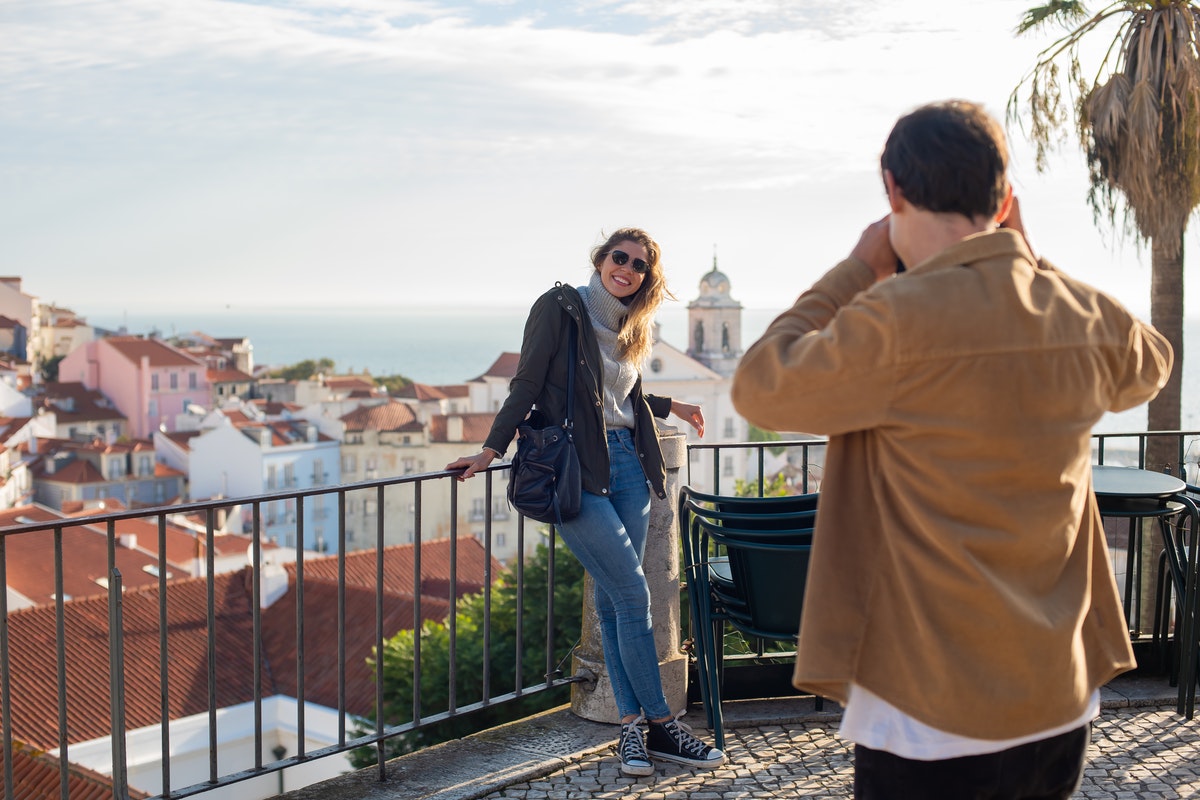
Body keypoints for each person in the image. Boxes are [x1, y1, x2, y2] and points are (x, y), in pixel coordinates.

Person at [731, 100, 1173, 799]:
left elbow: (760, 386)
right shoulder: (1075, 317)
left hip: (927, 710)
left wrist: (855, 268)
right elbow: (1151, 360)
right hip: (1054, 695)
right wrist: (1030, 260)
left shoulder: (896, 319)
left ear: (893, 189)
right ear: (1004, 201)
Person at [447, 227, 726, 777]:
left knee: (613, 602)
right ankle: (663, 724)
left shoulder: (631, 324)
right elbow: (527, 384)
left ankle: (630, 732)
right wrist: (489, 449)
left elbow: (622, 395)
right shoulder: (560, 307)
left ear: (647, 277)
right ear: (600, 260)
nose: (626, 268)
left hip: (629, 463)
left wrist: (673, 404)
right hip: (573, 469)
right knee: (631, 591)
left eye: (639, 265)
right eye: (618, 258)